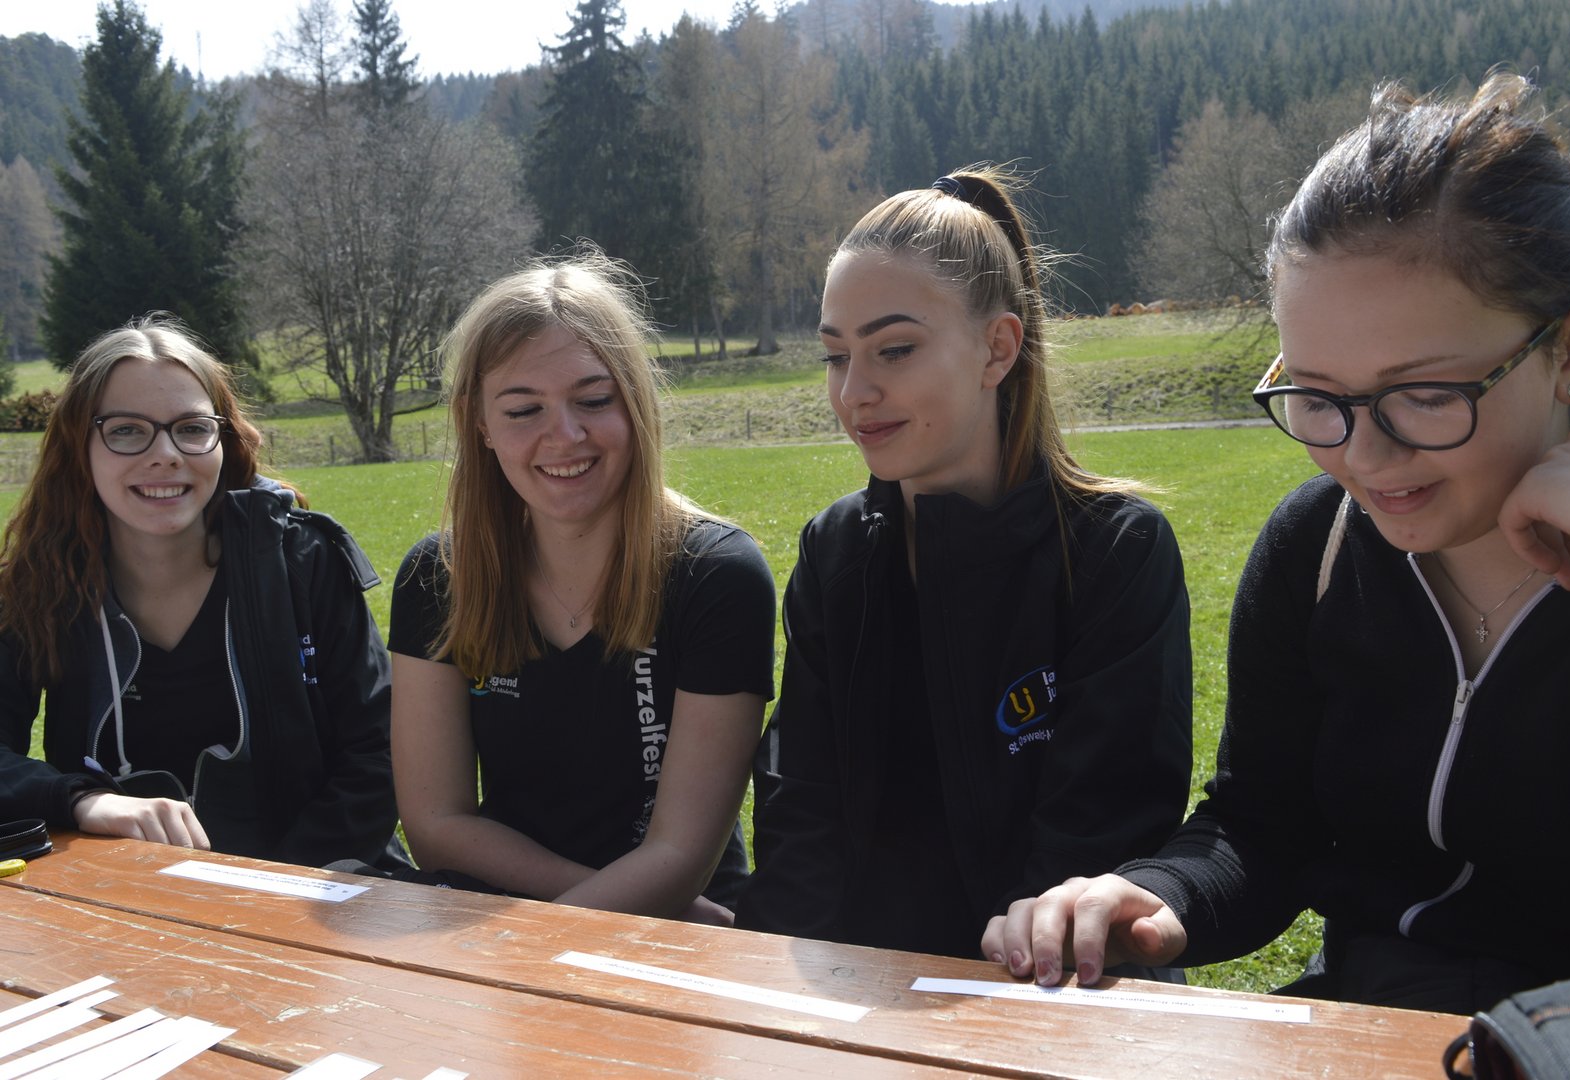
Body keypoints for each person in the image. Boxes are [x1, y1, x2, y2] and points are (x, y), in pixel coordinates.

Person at [983, 73, 1570, 1014]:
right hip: (1370, 1027)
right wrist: (1160, 896)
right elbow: (1263, 823)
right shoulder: (1315, 550)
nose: (1364, 457)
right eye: (1318, 397)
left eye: (1426, 394)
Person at [736, 167, 1193, 960]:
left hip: (1049, 988)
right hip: (857, 989)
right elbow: (801, 814)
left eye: (894, 350)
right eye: (837, 356)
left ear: (997, 348)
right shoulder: (836, 552)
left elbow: (1097, 839)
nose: (854, 392)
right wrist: (778, 989)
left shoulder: (1115, 552)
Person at [388, 252, 775, 922]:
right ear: (479, 424)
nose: (564, 436)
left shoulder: (717, 576)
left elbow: (679, 853)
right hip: (516, 927)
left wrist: (567, 934)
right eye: (522, 409)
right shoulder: (437, 579)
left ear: (636, 403)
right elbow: (436, 824)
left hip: (675, 936)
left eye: (594, 401)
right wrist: (547, 936)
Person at [0, 314, 398, 868]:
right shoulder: (41, 581)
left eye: (190, 428)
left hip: (319, 880)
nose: (166, 454)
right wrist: (82, 800)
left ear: (223, 441)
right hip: (123, 885)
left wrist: (271, 889)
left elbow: (379, 754)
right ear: (77, 447)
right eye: (126, 430)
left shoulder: (305, 562)